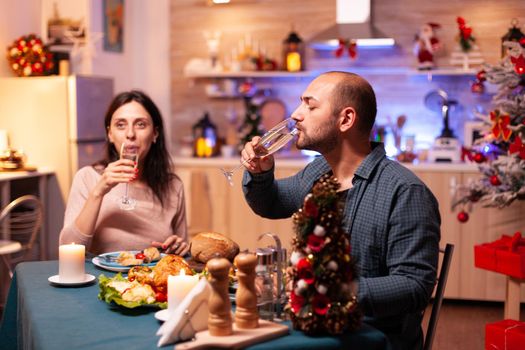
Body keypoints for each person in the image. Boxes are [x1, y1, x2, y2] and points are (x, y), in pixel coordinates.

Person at [241, 71, 440, 350]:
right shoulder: (319, 172)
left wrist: (335, 292)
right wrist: (261, 173)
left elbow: (414, 286)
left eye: (310, 106)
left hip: (373, 338)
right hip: (317, 327)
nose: (297, 115)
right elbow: (272, 203)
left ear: (345, 119)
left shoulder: (405, 192)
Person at [59, 90, 188, 256]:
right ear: (110, 134)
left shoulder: (173, 186)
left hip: (149, 279)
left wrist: (178, 248)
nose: (130, 134)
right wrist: (98, 192)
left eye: (140, 124)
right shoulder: (88, 177)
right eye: (121, 125)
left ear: (155, 133)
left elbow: (179, 258)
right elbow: (67, 249)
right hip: (100, 280)